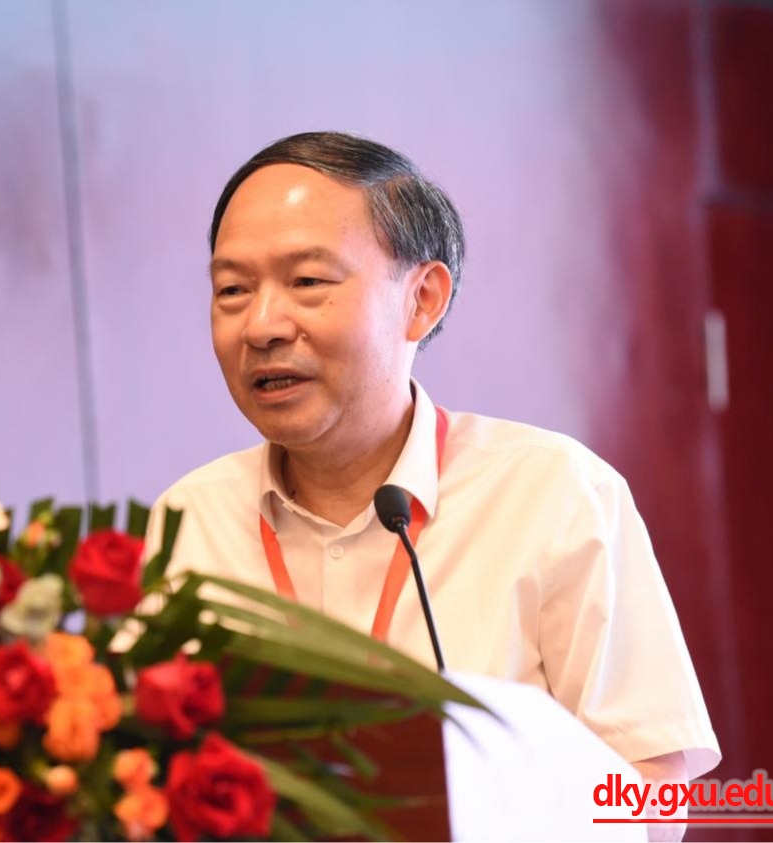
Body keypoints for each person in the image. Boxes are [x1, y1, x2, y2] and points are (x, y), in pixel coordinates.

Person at [142, 131, 719, 840]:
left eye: (307, 282)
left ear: (422, 299)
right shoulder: (190, 516)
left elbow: (652, 788)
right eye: (232, 289)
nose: (261, 325)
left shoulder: (554, 494)